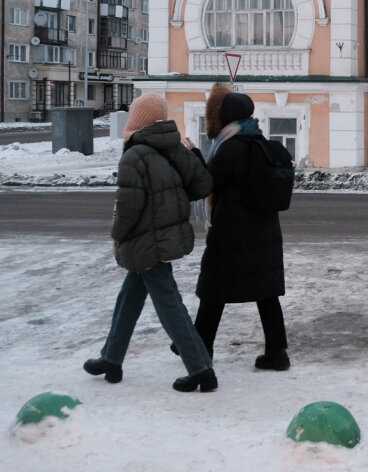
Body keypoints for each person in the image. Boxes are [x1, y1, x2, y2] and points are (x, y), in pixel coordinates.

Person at [84, 92, 217, 392]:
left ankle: (201, 369)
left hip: (145, 241)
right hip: (162, 238)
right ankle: (112, 359)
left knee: (169, 305)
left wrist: (117, 234)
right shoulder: (173, 146)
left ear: (138, 119)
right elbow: (203, 184)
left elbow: (128, 206)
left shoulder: (134, 155)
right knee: (130, 296)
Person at [186, 85, 290, 370]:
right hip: (265, 233)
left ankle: (199, 350)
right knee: (266, 292)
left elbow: (207, 183)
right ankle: (277, 353)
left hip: (232, 235)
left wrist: (195, 155)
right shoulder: (261, 144)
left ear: (226, 118)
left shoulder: (229, 149)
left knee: (213, 292)